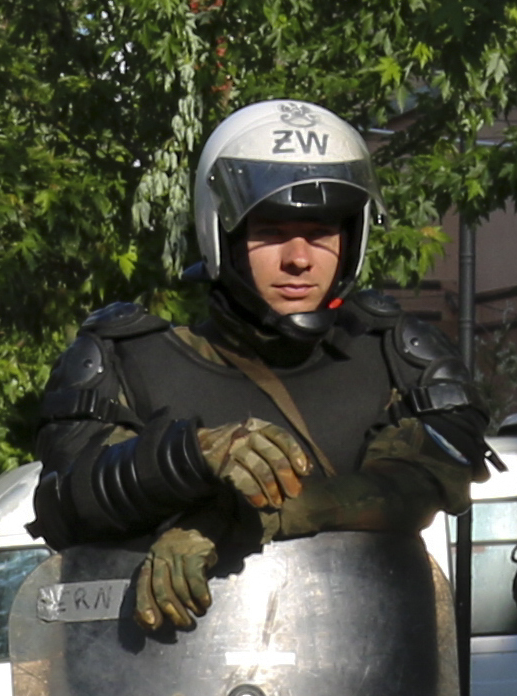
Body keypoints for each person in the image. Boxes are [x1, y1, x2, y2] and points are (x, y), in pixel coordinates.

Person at [31, 98, 491, 627]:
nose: (299, 257)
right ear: (221, 233)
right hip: (160, 692)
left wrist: (230, 521)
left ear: (353, 238)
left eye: (322, 233)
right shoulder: (125, 361)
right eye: (271, 230)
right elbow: (66, 502)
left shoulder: (399, 356)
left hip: (368, 689)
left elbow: (423, 481)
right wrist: (190, 456)